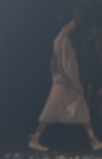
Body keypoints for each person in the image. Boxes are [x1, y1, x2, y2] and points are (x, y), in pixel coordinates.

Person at [29, 19, 102, 151]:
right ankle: (35, 139)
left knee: (80, 109)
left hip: (62, 82)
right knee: (50, 111)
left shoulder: (58, 39)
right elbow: (68, 66)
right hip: (65, 83)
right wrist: (76, 84)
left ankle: (93, 139)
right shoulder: (65, 42)